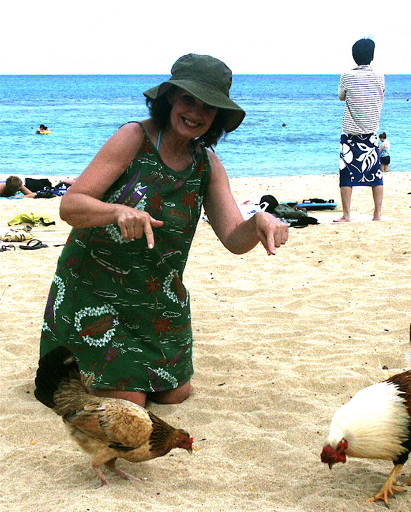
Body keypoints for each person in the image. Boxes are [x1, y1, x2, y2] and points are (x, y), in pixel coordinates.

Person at [39, 53, 289, 408]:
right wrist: (117, 212)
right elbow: (71, 205)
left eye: (209, 106)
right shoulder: (133, 137)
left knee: (174, 395)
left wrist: (258, 222)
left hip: (158, 302)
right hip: (96, 293)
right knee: (131, 400)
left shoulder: (207, 165)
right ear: (170, 97)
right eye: (189, 99)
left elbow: (234, 238)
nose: (196, 113)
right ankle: (77, 366)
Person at [335, 38, 385, 222]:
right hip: (371, 130)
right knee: (375, 174)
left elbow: (341, 96)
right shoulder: (379, 75)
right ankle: (377, 214)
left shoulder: (347, 75)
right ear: (372, 56)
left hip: (350, 131)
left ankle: (347, 215)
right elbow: (381, 93)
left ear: (354, 56)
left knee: (347, 174)